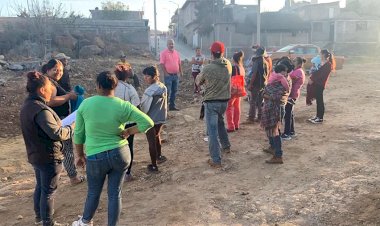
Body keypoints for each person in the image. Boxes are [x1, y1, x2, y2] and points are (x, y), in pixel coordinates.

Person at [72, 71, 153, 226]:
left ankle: (86, 221)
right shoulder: (122, 105)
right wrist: (129, 131)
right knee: (115, 193)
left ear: (98, 86)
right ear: (115, 86)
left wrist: (80, 155)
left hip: (96, 156)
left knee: (93, 192)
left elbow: (79, 134)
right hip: (120, 153)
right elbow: (147, 122)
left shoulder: (86, 104)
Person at [20, 71, 74, 226]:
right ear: (42, 90)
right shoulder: (41, 110)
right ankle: (47, 222)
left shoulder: (28, 105)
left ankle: (39, 218)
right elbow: (56, 133)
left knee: (41, 187)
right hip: (48, 156)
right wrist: (71, 128)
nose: (53, 91)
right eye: (51, 87)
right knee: (48, 192)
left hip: (36, 155)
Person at [41, 59, 85, 186]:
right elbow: (50, 101)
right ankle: (73, 177)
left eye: (60, 70)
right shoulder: (49, 83)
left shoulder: (49, 81)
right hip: (59, 120)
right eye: (55, 70)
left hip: (53, 119)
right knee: (67, 149)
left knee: (60, 149)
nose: (58, 72)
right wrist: (68, 97)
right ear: (47, 70)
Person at [196, 41, 232, 168]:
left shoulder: (208, 68)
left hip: (212, 102)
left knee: (212, 131)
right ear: (222, 52)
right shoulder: (228, 65)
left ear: (212, 53)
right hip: (224, 101)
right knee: (220, 123)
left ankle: (216, 159)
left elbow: (199, 81)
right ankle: (226, 146)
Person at [114, 63, 141, 181]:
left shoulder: (111, 87)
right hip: (128, 123)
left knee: (113, 145)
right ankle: (127, 173)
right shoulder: (130, 89)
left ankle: (114, 171)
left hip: (113, 121)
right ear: (127, 74)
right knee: (128, 147)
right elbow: (137, 107)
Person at [140, 66, 168, 172]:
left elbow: (144, 107)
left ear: (155, 76)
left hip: (150, 119)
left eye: (147, 76)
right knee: (157, 136)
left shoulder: (150, 90)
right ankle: (159, 156)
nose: (145, 78)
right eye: (145, 76)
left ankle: (154, 165)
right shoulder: (163, 86)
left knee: (151, 141)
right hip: (160, 118)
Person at [261, 64, 290, 164]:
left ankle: (278, 155)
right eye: (284, 71)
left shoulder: (284, 82)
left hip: (277, 109)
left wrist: (267, 95)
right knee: (269, 129)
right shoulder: (274, 80)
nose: (285, 73)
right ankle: (272, 147)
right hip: (270, 108)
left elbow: (276, 96)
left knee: (275, 131)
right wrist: (266, 94)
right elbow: (264, 92)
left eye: (286, 72)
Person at [307, 49, 335, 124]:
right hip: (317, 83)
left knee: (320, 101)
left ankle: (320, 118)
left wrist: (313, 79)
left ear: (323, 54)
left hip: (320, 84)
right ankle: (318, 116)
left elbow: (321, 75)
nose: (319, 55)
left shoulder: (328, 64)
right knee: (318, 101)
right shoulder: (322, 63)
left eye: (320, 54)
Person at [281, 57, 306, 140]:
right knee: (290, 114)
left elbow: (288, 80)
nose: (293, 62)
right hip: (293, 94)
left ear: (299, 63)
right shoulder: (298, 71)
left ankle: (287, 133)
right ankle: (291, 131)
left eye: (295, 61)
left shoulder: (298, 72)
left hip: (292, 95)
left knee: (287, 114)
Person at [246, 47, 269, 123]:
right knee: (260, 101)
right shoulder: (266, 62)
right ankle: (260, 116)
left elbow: (254, 74)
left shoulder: (257, 61)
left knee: (253, 101)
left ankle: (251, 117)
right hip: (263, 84)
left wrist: (250, 84)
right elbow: (267, 74)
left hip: (256, 84)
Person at [160, 39, 182, 111]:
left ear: (174, 44)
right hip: (168, 76)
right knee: (167, 91)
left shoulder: (177, 53)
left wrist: (181, 72)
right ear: (167, 45)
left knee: (174, 91)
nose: (171, 45)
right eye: (169, 44)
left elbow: (179, 63)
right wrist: (166, 73)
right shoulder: (163, 53)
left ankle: (172, 106)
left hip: (176, 75)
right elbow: (162, 64)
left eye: (172, 44)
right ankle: (164, 108)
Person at [226, 51, 245, 132]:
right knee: (237, 107)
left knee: (229, 107)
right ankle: (236, 125)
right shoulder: (241, 67)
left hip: (233, 89)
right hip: (240, 89)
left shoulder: (233, 67)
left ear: (233, 59)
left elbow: (229, 79)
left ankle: (231, 126)